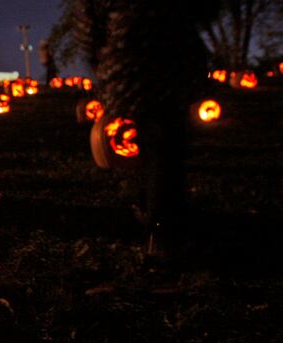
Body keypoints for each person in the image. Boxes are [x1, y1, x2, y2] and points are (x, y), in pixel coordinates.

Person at [75, 0, 220, 258]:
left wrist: (98, 56)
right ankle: (162, 233)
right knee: (165, 147)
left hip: (125, 59)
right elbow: (205, 10)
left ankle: (152, 206)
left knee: (153, 143)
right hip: (168, 57)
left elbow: (87, 22)